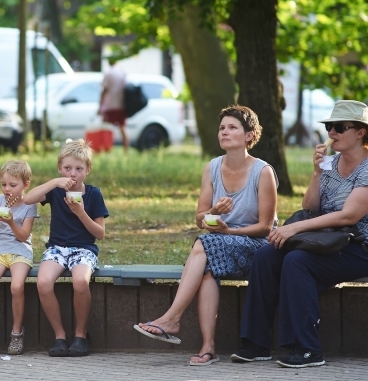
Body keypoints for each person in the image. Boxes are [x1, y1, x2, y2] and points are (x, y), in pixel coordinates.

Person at [134, 105, 278, 365]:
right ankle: (207, 348)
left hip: (257, 247)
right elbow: (200, 218)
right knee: (208, 262)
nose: (224, 132)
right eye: (222, 127)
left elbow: (266, 228)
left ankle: (173, 318)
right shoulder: (211, 168)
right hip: (219, 244)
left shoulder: (263, 171)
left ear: (249, 135)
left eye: (232, 127)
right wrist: (213, 212)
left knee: (204, 245)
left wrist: (229, 230)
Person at [233, 100, 368, 368]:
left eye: (340, 127)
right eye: (330, 127)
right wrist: (317, 173)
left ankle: (307, 349)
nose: (332, 134)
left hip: (359, 247)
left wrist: (293, 227)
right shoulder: (330, 163)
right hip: (328, 240)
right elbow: (310, 207)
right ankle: (257, 343)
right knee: (266, 255)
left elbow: (349, 216)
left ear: (361, 132)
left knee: (297, 262)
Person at [26, 140, 108, 357]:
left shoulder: (93, 194)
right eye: (67, 169)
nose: (73, 174)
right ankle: (59, 335)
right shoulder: (55, 191)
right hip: (57, 248)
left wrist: (81, 212)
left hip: (84, 248)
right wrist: (54, 183)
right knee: (43, 282)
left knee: (80, 281)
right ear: (60, 168)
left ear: (87, 170)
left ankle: (81, 335)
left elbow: (100, 234)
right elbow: (27, 199)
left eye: (79, 169)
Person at [0, 160, 39, 355]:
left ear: (26, 184)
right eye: (4, 184)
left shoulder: (29, 205)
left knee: (17, 286)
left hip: (20, 250)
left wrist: (12, 222)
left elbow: (23, 236)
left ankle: (16, 333)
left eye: (13, 185)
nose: (7, 189)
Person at [98, 62, 129, 152]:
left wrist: (100, 106)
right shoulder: (122, 73)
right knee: (123, 128)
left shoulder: (108, 74)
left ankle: (105, 149)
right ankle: (125, 151)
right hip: (121, 105)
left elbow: (104, 91)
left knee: (105, 128)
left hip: (110, 105)